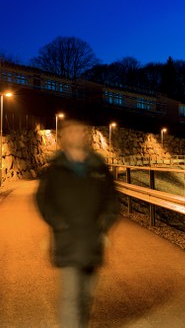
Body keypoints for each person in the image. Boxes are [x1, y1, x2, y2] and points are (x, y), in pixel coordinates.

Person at [36, 120, 121, 328]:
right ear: (63, 136)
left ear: (86, 134)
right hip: (67, 240)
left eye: (82, 131)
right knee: (71, 296)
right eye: (72, 131)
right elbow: (43, 200)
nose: (77, 135)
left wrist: (105, 224)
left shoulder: (98, 167)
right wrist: (58, 223)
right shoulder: (55, 169)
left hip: (93, 240)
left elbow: (112, 201)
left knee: (86, 296)